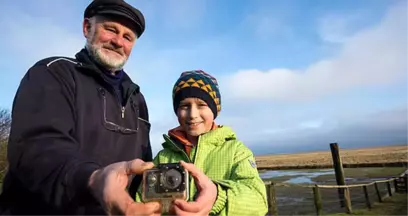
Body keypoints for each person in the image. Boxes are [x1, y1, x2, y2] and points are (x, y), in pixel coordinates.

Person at [0, 0, 161, 215]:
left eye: (127, 37)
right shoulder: (52, 73)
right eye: (111, 29)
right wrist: (94, 179)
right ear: (87, 28)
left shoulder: (137, 99)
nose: (118, 41)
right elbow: (37, 148)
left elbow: (143, 163)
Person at [135, 70, 269, 216]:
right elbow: (141, 199)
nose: (192, 114)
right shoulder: (163, 157)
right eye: (185, 105)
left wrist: (217, 197)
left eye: (201, 105)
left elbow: (258, 200)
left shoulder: (237, 151)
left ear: (214, 110)